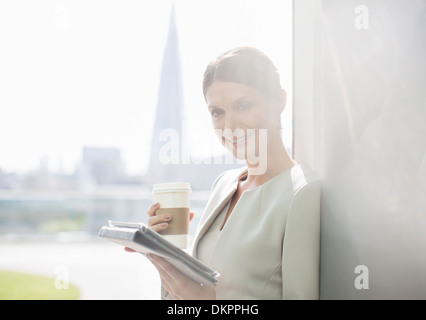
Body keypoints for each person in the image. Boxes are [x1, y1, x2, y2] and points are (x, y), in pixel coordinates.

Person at [128, 47, 321, 300]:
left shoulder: (301, 194)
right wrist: (165, 252)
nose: (229, 127)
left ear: (279, 102)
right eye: (217, 112)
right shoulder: (225, 184)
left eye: (243, 105)